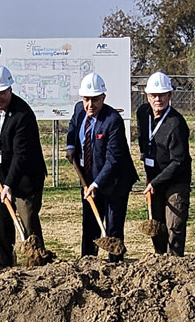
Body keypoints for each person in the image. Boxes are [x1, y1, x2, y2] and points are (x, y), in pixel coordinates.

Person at [0, 65, 47, 267]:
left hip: (26, 177)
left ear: (10, 90)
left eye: (1, 93)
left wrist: (9, 185)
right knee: (2, 222)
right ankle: (5, 265)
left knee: (27, 223)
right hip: (0, 172)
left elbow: (21, 155)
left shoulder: (22, 115)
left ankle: (36, 264)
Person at [65, 72, 138, 262]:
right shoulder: (79, 110)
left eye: (95, 99)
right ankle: (88, 263)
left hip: (115, 181)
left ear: (103, 98)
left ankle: (115, 265)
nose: (90, 104)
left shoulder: (112, 120)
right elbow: (73, 127)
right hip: (89, 177)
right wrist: (71, 146)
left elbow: (113, 160)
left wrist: (96, 185)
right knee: (90, 224)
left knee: (113, 226)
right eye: (86, 99)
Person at [136, 72, 191, 256]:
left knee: (174, 225)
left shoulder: (176, 124)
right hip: (154, 178)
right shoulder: (143, 114)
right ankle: (159, 260)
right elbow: (143, 140)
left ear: (170, 95)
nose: (158, 99)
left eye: (162, 95)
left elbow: (178, 161)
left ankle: (175, 263)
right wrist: (148, 172)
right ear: (147, 96)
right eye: (154, 95)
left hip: (176, 181)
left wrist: (155, 181)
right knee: (156, 224)